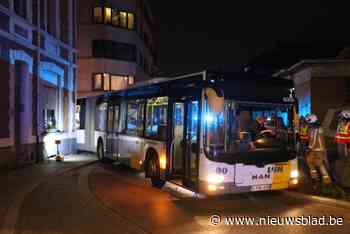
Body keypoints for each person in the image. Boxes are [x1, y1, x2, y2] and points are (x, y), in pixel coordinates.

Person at [305, 114, 332, 185]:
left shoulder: (316, 129)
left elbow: (313, 140)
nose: (307, 123)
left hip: (318, 150)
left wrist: (309, 148)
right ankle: (315, 177)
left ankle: (327, 181)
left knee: (319, 164)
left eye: (308, 121)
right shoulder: (315, 128)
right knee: (309, 161)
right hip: (315, 149)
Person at [334, 110, 350, 188]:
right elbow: (338, 134)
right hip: (340, 144)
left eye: (341, 116)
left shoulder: (349, 124)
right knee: (342, 161)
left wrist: (348, 145)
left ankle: (346, 182)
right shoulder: (341, 124)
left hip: (346, 146)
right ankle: (342, 179)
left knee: (346, 162)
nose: (339, 118)